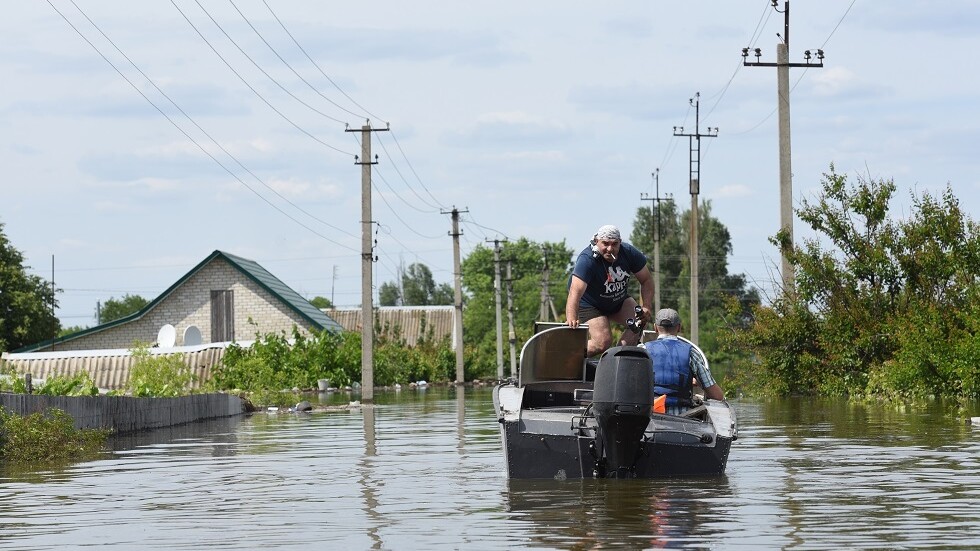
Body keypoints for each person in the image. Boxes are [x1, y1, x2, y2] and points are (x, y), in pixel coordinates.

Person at [565, 224, 654, 357]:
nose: (609, 249)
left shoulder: (629, 253)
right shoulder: (587, 259)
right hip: (591, 303)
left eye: (614, 244)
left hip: (617, 299)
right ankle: (566, 356)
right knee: (602, 342)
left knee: (640, 321)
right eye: (605, 244)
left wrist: (646, 306)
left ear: (620, 243)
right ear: (596, 242)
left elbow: (646, 280)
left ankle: (619, 357)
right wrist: (571, 318)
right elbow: (575, 291)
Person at [642, 308, 725, 414]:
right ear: (679, 327)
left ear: (655, 328)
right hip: (682, 418)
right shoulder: (691, 353)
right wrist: (697, 383)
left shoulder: (642, 350)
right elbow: (717, 396)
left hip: (650, 416)